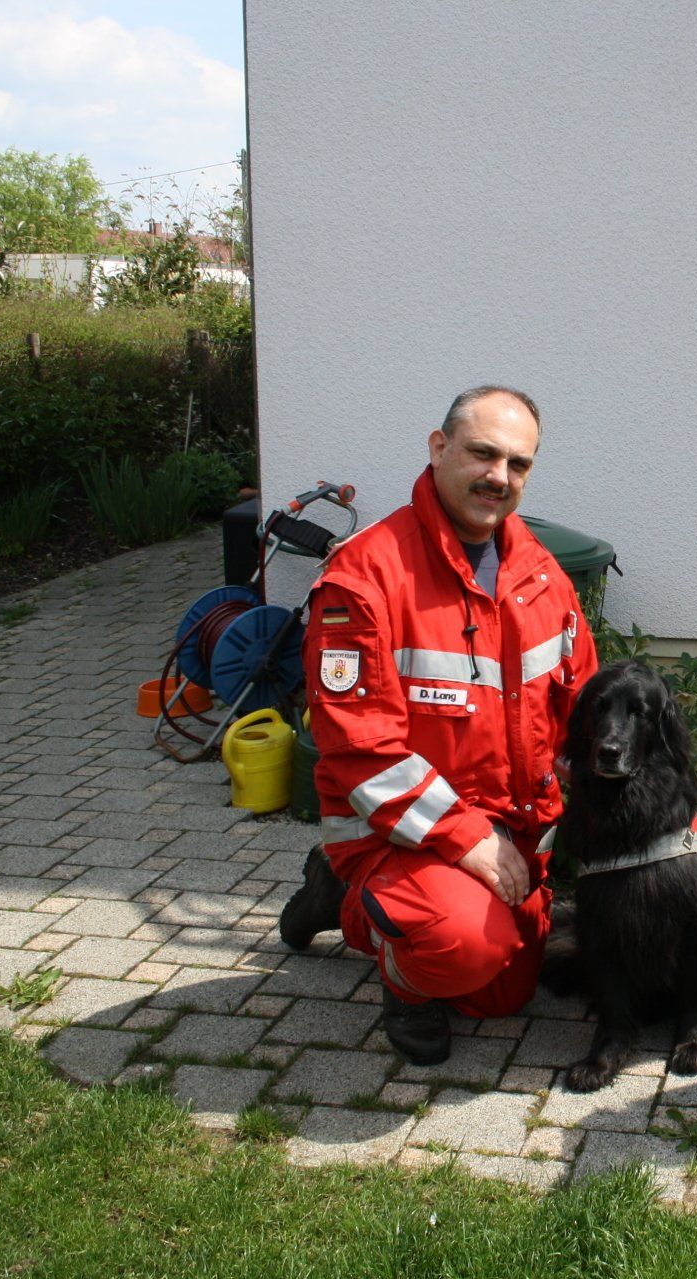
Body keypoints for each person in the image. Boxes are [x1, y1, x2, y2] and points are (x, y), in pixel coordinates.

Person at [278, 386, 599, 1066]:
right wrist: (468, 842)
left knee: (502, 995)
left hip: (509, 833)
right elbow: (360, 751)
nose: (499, 477)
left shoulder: (539, 574)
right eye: (483, 453)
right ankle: (394, 963)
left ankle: (341, 896)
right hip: (401, 831)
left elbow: (583, 705)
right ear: (438, 447)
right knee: (459, 947)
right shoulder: (366, 577)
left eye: (519, 464)